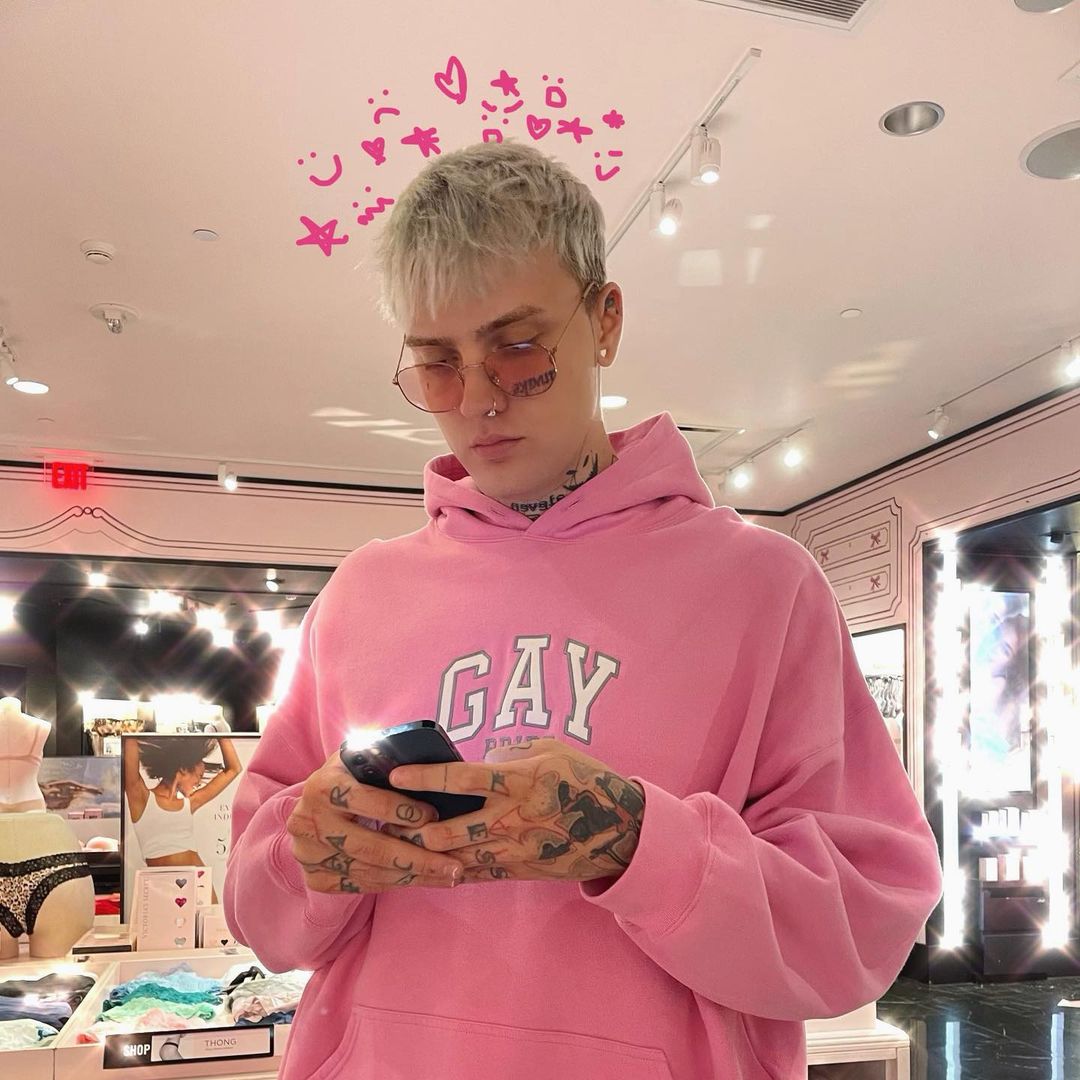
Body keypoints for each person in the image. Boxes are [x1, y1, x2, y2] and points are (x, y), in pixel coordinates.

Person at [223, 140, 943, 1080]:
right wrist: (305, 853)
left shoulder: (765, 587)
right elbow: (261, 917)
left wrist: (632, 837)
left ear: (604, 320)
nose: (479, 400)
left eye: (518, 348)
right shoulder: (362, 593)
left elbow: (862, 925)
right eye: (438, 364)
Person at [125, 736, 242, 902]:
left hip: (200, 885)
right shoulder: (142, 799)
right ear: (183, 769)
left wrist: (221, 733)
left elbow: (234, 769)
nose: (198, 783)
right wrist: (136, 727)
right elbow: (130, 740)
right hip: (163, 891)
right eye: (198, 777)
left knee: (210, 920)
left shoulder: (189, 803)